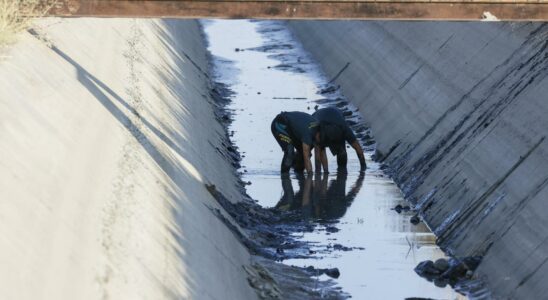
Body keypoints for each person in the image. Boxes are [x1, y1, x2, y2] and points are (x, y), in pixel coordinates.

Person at [312, 107, 366, 173]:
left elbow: (357, 148)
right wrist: (320, 173)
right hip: (316, 120)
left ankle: (342, 169)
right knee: (319, 147)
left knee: (341, 153)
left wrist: (363, 167)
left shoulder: (344, 128)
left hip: (335, 114)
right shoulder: (317, 130)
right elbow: (318, 156)